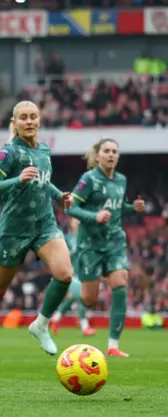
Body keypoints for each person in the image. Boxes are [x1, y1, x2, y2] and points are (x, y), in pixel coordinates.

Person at [0, 100, 74, 368]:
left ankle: (40, 324)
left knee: (65, 274)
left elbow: (44, 181)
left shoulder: (44, 150)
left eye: (33, 117)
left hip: (44, 225)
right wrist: (17, 179)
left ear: (39, 120)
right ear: (15, 123)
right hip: (14, 231)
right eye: (24, 118)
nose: (29, 121)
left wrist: (59, 196)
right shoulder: (9, 152)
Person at [66, 138, 144, 357]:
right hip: (90, 245)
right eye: (107, 151)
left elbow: (117, 209)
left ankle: (113, 345)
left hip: (115, 242)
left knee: (120, 282)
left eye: (114, 151)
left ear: (118, 156)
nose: (111, 155)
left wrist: (132, 208)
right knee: (89, 300)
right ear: (98, 156)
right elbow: (70, 207)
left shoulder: (121, 180)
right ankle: (71, 288)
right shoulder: (88, 179)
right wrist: (94, 216)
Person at [50, 218, 96, 336]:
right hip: (71, 272)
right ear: (71, 224)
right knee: (83, 296)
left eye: (80, 222)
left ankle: (55, 319)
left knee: (72, 297)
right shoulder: (68, 238)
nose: (78, 223)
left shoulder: (85, 238)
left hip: (83, 273)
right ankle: (84, 326)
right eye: (76, 221)